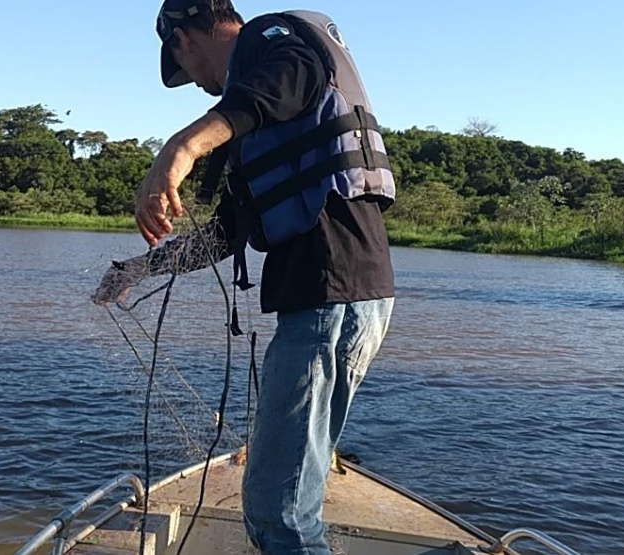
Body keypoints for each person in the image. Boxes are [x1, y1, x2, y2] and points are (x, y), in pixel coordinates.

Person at [93, 1, 396, 553]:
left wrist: (180, 147)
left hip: (330, 295)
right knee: (286, 501)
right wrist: (139, 268)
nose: (199, 86)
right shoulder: (256, 119)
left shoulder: (270, 41)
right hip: (339, 296)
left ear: (185, 40)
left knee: (278, 515)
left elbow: (291, 76)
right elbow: (225, 233)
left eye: (187, 71)